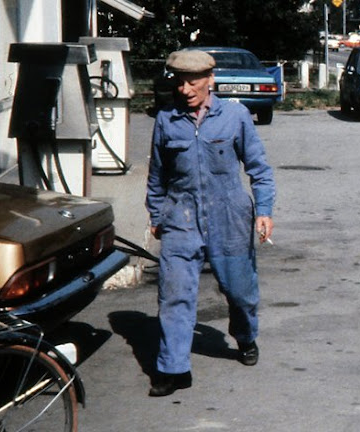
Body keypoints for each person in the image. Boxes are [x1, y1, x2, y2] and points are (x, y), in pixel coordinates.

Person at [145, 49, 276, 397]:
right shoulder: (166, 120)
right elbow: (157, 176)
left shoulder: (235, 116)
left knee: (239, 292)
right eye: (180, 82)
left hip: (229, 217)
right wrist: (156, 215)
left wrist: (264, 211)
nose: (185, 89)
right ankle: (174, 369)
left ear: (210, 80)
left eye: (193, 82)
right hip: (181, 218)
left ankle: (246, 337)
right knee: (174, 295)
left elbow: (260, 170)